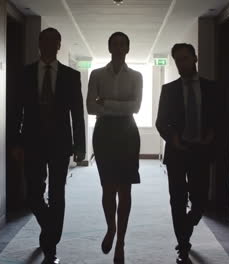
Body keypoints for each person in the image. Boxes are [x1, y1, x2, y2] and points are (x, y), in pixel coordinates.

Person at [12, 27, 86, 264]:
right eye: (45, 40)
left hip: (60, 144)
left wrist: (80, 145)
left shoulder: (71, 76)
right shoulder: (24, 74)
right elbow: (15, 111)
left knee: (57, 193)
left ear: (59, 45)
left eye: (55, 41)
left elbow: (77, 113)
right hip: (31, 143)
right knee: (34, 195)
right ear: (39, 43)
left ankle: (51, 247)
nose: (49, 44)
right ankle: (50, 229)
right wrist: (14, 141)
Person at [155, 43, 219, 264]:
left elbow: (219, 118)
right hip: (178, 151)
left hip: (201, 150)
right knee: (177, 200)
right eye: (178, 60)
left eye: (185, 58)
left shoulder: (211, 88)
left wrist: (210, 136)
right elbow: (161, 122)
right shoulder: (169, 89)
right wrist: (173, 139)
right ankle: (183, 244)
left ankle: (187, 224)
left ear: (195, 59)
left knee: (200, 201)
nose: (181, 63)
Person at [86, 32, 142, 263]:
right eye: (115, 44)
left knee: (125, 190)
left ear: (128, 48)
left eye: (122, 44)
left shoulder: (137, 76)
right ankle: (111, 228)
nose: (118, 48)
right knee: (108, 188)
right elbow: (90, 107)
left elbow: (136, 107)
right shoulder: (97, 74)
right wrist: (121, 106)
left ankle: (121, 242)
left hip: (128, 133)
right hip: (104, 133)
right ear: (109, 47)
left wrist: (105, 103)